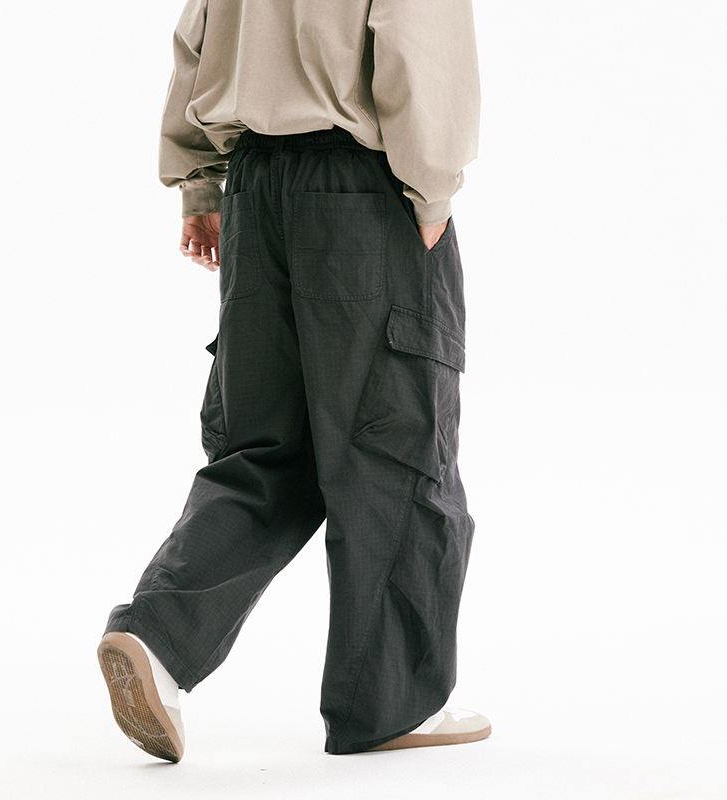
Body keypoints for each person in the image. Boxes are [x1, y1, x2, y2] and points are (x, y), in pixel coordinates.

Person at [97, 0, 486, 762]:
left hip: (254, 185)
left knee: (265, 452)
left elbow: (199, 35)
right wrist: (432, 187)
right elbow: (416, 36)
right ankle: (391, 704)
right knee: (395, 446)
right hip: (362, 191)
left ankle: (157, 642)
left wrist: (200, 185)